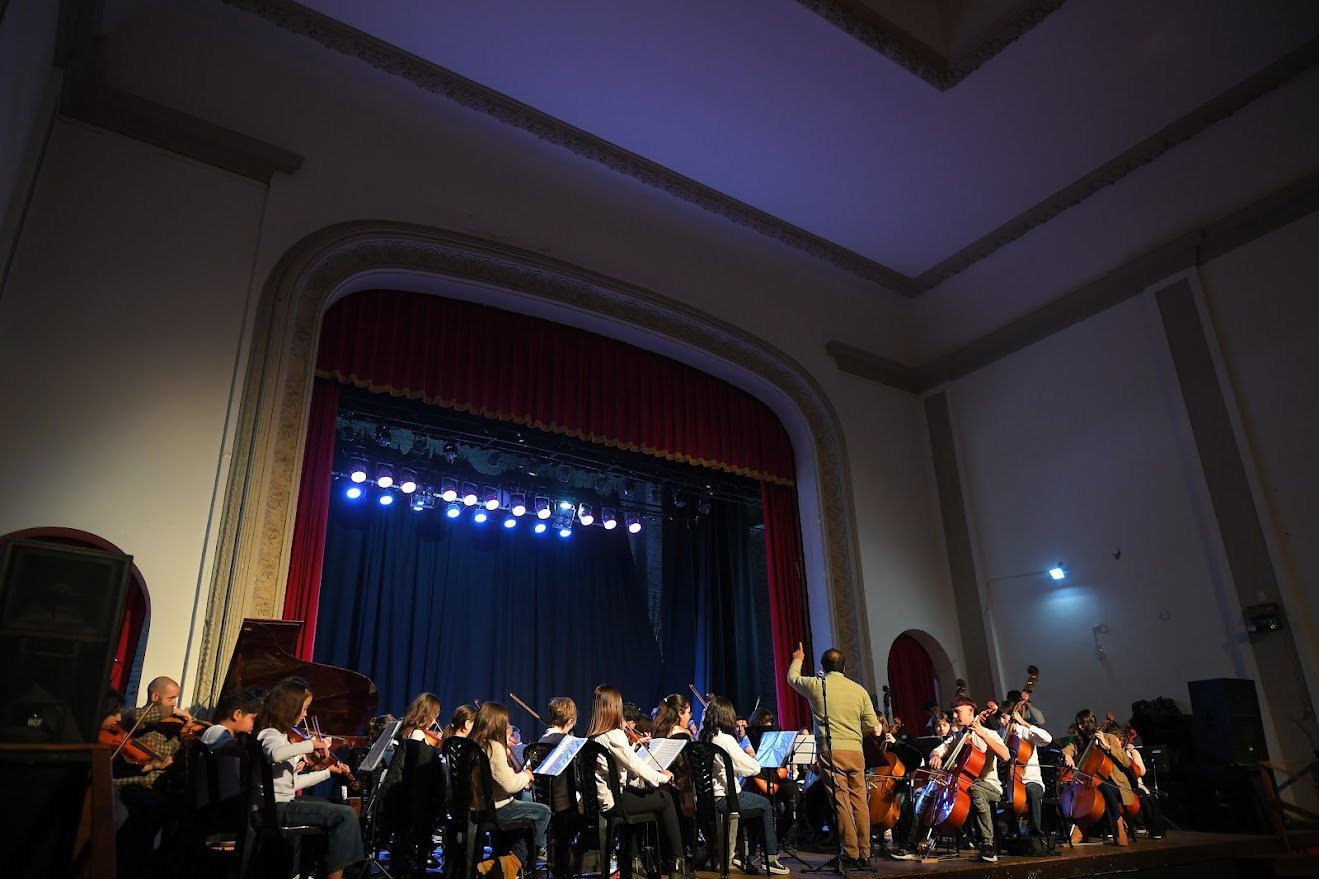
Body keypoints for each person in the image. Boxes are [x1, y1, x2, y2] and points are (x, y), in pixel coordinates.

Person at [255, 678, 363, 879]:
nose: (305, 714)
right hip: (273, 809)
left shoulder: (281, 737)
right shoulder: (269, 734)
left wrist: (327, 772)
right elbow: (276, 754)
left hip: (282, 804)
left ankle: (315, 870)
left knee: (336, 807)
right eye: (304, 709)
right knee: (345, 815)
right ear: (290, 708)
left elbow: (292, 784)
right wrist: (311, 745)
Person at [786, 642, 879, 871]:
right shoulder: (859, 690)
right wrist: (854, 732)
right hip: (856, 752)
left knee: (842, 802)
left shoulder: (818, 685)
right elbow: (870, 722)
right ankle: (865, 854)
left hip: (831, 751)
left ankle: (850, 852)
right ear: (844, 668)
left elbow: (793, 679)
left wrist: (798, 658)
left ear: (823, 668)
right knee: (859, 801)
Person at [587, 685, 691, 879]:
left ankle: (633, 860)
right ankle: (678, 865)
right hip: (614, 802)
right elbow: (635, 766)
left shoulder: (593, 736)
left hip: (602, 801)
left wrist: (633, 745)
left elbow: (621, 761)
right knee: (666, 799)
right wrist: (662, 777)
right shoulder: (614, 735)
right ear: (613, 707)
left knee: (639, 796)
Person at [892, 696, 1009, 864]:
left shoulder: (989, 734)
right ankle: (912, 845)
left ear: (971, 711)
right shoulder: (959, 737)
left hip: (989, 785)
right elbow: (938, 750)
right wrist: (937, 756)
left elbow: (1005, 755)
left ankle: (988, 846)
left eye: (957, 712)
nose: (954, 716)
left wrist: (982, 734)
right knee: (926, 794)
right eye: (953, 712)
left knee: (976, 789)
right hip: (963, 784)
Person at [701, 697, 791, 874]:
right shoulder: (725, 739)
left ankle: (740, 855)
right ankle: (770, 859)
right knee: (765, 804)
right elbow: (752, 768)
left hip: (708, 798)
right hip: (726, 799)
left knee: (749, 802)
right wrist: (750, 758)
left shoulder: (703, 737)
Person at [471, 702, 552, 879]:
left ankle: (499, 860)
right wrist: (526, 776)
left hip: (477, 807)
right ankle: (515, 862)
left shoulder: (473, 744)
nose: (508, 727)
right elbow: (509, 785)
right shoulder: (495, 747)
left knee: (522, 814)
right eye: (505, 723)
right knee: (543, 812)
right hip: (498, 808)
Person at [1061, 710, 1137, 845]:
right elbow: (1068, 749)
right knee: (1082, 793)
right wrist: (1067, 755)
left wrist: (1107, 747)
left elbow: (1126, 762)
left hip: (1116, 784)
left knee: (1105, 786)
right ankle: (1080, 828)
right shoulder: (1080, 741)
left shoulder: (1109, 738)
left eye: (1083, 725)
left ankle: (1119, 826)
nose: (1080, 728)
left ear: (1091, 723)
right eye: (1078, 725)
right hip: (1094, 783)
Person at [998, 698, 1052, 838]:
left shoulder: (1025, 731)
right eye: (999, 718)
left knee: (1032, 791)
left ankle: (1036, 833)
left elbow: (1047, 739)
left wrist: (1023, 723)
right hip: (1011, 781)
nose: (1002, 722)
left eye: (1004, 717)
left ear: (1013, 716)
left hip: (1031, 780)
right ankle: (1012, 831)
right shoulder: (1001, 735)